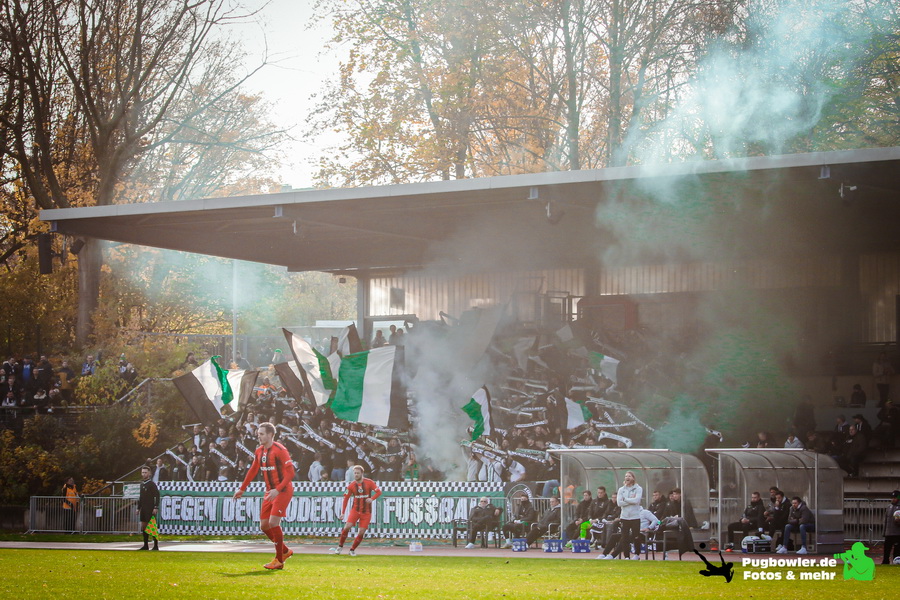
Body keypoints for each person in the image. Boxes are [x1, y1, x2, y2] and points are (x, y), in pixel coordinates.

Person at [233, 422, 295, 569]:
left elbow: (291, 473)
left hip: (283, 490)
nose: (258, 436)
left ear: (270, 435)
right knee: (264, 525)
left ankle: (279, 560)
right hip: (270, 491)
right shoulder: (259, 451)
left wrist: (278, 490)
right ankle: (285, 551)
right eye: (258, 433)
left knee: (274, 523)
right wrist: (242, 489)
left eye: (261, 434)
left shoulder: (280, 450)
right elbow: (253, 470)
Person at [332, 465, 382, 556]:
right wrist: (343, 512)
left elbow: (379, 492)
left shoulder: (369, 482)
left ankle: (352, 550)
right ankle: (340, 546)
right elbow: (346, 499)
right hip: (355, 510)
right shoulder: (351, 485)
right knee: (347, 526)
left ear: (362, 474)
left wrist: (372, 498)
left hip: (366, 512)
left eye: (358, 473)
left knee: (361, 532)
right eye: (355, 473)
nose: (356, 475)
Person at [603, 471, 642, 560]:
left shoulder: (638, 488)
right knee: (625, 537)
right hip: (624, 517)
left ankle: (636, 554)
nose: (627, 478)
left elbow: (636, 501)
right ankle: (627, 556)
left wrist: (626, 499)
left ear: (633, 478)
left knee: (636, 536)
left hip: (635, 517)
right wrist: (630, 500)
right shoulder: (621, 489)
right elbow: (619, 503)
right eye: (626, 476)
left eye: (629, 476)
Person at [136, 465, 160, 551]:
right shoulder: (142, 484)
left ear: (149, 473)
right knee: (143, 526)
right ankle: (145, 545)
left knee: (152, 526)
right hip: (143, 508)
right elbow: (141, 497)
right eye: (143, 472)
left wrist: (156, 507)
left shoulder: (151, 484)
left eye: (145, 472)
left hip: (150, 508)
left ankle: (156, 545)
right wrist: (138, 508)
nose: (144, 474)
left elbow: (157, 495)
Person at [883, 489, 900, 565]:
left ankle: (896, 562)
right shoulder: (889, 507)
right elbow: (886, 520)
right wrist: (884, 532)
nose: (893, 499)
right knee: (887, 549)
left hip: (897, 533)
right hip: (889, 532)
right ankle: (885, 561)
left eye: (895, 498)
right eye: (892, 498)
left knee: (897, 550)